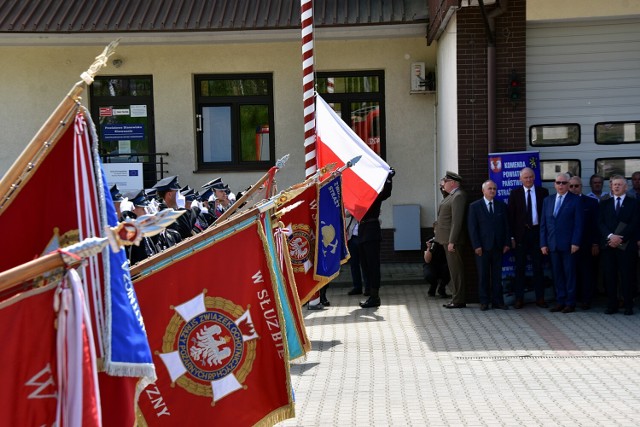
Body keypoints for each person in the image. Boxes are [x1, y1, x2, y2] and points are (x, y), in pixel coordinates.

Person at [540, 173, 583, 313]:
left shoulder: (575, 200)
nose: (561, 185)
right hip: (552, 245)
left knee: (569, 274)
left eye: (564, 183)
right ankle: (560, 301)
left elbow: (578, 224)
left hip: (569, 245)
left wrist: (576, 242)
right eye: (558, 182)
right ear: (554, 184)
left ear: (568, 185)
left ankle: (570, 303)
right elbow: (543, 225)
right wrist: (543, 244)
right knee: (557, 274)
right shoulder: (548, 200)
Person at [507, 167, 549, 309]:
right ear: (520, 179)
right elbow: (510, 218)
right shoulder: (515, 194)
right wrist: (512, 237)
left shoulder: (543, 192)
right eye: (526, 177)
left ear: (534, 177)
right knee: (520, 268)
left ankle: (540, 298)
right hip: (521, 236)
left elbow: (546, 215)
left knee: (538, 267)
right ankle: (519, 299)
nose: (529, 179)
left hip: (537, 234)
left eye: (531, 177)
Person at [598, 175, 639, 315]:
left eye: (619, 184)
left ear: (626, 187)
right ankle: (612, 305)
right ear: (611, 186)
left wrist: (620, 238)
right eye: (614, 184)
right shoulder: (604, 203)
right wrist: (610, 237)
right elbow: (600, 223)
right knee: (610, 276)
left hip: (626, 246)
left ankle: (628, 305)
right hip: (608, 245)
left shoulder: (634, 203)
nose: (616, 187)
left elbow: (635, 224)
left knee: (627, 276)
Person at [467, 180, 510, 311]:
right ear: (483, 191)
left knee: (497, 276)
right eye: (489, 189)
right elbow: (472, 228)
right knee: (483, 275)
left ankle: (498, 301)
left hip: (498, 247)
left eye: (494, 189)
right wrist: (476, 246)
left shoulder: (501, 206)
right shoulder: (475, 207)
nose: (492, 191)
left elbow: (506, 226)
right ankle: (484, 301)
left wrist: (507, 242)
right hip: (483, 248)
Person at [358, 169, 394, 308]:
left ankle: (375, 296)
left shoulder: (374, 195)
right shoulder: (360, 196)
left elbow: (386, 193)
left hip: (371, 231)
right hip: (362, 231)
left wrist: (389, 179)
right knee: (365, 265)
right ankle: (369, 291)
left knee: (373, 265)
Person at [434, 171, 468, 309]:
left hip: (452, 241)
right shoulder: (451, 195)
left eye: (445, 181)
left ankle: (458, 299)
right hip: (446, 240)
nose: (443, 183)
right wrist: (442, 188)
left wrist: (452, 241)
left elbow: (457, 221)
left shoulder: (459, 196)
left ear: (453, 182)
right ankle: (456, 298)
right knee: (453, 270)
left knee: (456, 271)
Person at [568, 176, 600, 309]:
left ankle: (586, 300)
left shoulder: (591, 202)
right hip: (569, 245)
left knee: (587, 273)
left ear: (582, 186)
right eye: (571, 186)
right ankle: (573, 299)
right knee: (571, 273)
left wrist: (595, 243)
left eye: (577, 186)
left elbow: (596, 225)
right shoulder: (564, 201)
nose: (574, 188)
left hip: (586, 244)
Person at [152, 175, 193, 240]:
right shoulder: (164, 214)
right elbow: (186, 233)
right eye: (177, 192)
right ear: (169, 194)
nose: (180, 196)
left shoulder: (172, 210)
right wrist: (181, 208)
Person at [346, 210, 368, 296]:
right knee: (354, 264)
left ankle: (368, 287)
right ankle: (357, 287)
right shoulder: (354, 204)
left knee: (365, 264)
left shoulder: (369, 203)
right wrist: (354, 209)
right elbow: (346, 214)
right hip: (353, 237)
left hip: (364, 236)